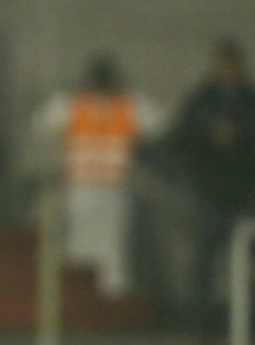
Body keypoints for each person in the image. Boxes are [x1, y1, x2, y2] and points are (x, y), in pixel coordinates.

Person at [163, 38, 255, 336]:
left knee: (248, 270)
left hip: (243, 195)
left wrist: (241, 141)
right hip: (208, 194)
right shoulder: (200, 101)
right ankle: (202, 333)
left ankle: (250, 333)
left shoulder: (253, 102)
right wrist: (209, 136)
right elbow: (180, 141)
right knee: (203, 269)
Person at [33, 53, 163, 298]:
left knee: (104, 247)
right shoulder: (117, 106)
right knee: (91, 247)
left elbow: (43, 119)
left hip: (102, 189)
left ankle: (101, 301)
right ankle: (91, 299)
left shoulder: (81, 106)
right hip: (94, 189)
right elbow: (158, 122)